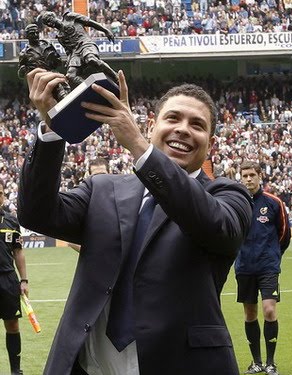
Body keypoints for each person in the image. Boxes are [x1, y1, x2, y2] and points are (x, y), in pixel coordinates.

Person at [19, 68, 253, 375]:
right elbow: (37, 213)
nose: (183, 129)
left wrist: (140, 147)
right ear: (152, 124)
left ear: (211, 141)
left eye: (197, 125)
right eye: (173, 118)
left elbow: (215, 226)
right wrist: (52, 130)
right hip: (89, 366)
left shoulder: (228, 195)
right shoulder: (102, 188)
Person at [235, 161, 291, 375]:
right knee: (250, 314)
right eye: (245, 175)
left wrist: (273, 255)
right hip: (244, 267)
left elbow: (284, 234)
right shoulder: (236, 202)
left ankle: (270, 362)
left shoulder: (274, 202)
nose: (248, 179)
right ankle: (256, 362)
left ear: (260, 176)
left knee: (269, 310)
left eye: (252, 175)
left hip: (268, 266)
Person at [37, 11, 117, 88]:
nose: (50, 23)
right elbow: (69, 52)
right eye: (47, 23)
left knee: (91, 59)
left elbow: (89, 22)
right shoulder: (60, 37)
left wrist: (105, 30)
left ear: (53, 16)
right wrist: (69, 62)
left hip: (85, 43)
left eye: (49, 20)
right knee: (70, 75)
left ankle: (115, 76)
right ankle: (91, 87)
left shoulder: (69, 17)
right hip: (75, 52)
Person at [0, 183, 28, 375]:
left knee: (12, 324)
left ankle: (15, 370)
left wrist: (24, 280)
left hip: (8, 279)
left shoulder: (11, 221)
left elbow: (18, 252)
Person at [68, 158, 110, 252]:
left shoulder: (121, 195)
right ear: (89, 176)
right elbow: (70, 240)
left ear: (109, 173)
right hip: (96, 262)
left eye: (103, 174)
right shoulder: (81, 200)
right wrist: (95, 254)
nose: (100, 179)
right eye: (96, 176)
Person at [18, 23, 69, 101]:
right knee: (59, 94)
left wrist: (55, 60)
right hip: (39, 82)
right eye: (32, 33)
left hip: (53, 75)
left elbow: (59, 63)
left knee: (65, 90)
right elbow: (20, 75)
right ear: (27, 36)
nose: (35, 35)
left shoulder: (47, 45)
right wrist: (22, 70)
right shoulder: (24, 53)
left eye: (36, 32)